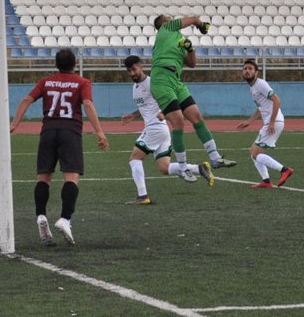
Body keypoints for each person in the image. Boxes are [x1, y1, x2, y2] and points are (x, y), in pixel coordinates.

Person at [11, 49, 109, 246]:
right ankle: (65, 219)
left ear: (56, 64)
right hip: (70, 132)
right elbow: (88, 104)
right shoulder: (82, 82)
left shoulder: (46, 81)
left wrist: (14, 124)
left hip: (48, 132)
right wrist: (100, 132)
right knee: (71, 177)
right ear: (74, 64)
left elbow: (26, 100)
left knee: (44, 178)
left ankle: (40, 216)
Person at [151, 15, 237, 187]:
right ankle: (182, 167)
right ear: (163, 23)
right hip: (161, 79)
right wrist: (200, 25)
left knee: (196, 116)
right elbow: (193, 18)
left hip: (175, 80)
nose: (172, 19)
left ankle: (215, 158)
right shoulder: (166, 29)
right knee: (179, 122)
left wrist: (190, 49)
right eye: (169, 18)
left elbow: (192, 64)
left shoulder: (178, 39)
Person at [121, 55, 210, 205]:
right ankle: (198, 168)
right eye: (129, 71)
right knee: (164, 167)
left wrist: (164, 112)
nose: (132, 74)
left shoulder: (153, 84)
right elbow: (146, 106)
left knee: (134, 159)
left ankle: (142, 196)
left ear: (141, 66)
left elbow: (171, 99)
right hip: (160, 130)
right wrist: (133, 115)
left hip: (155, 127)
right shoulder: (135, 87)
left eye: (134, 69)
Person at [236, 59, 294, 188]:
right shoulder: (253, 88)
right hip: (271, 122)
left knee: (256, 154)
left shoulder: (260, 84)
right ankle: (266, 181)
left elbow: (277, 101)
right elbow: (261, 107)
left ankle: (285, 170)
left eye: (250, 68)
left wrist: (272, 122)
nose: (247, 71)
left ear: (256, 73)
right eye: (245, 68)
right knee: (253, 151)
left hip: (274, 121)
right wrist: (250, 121)